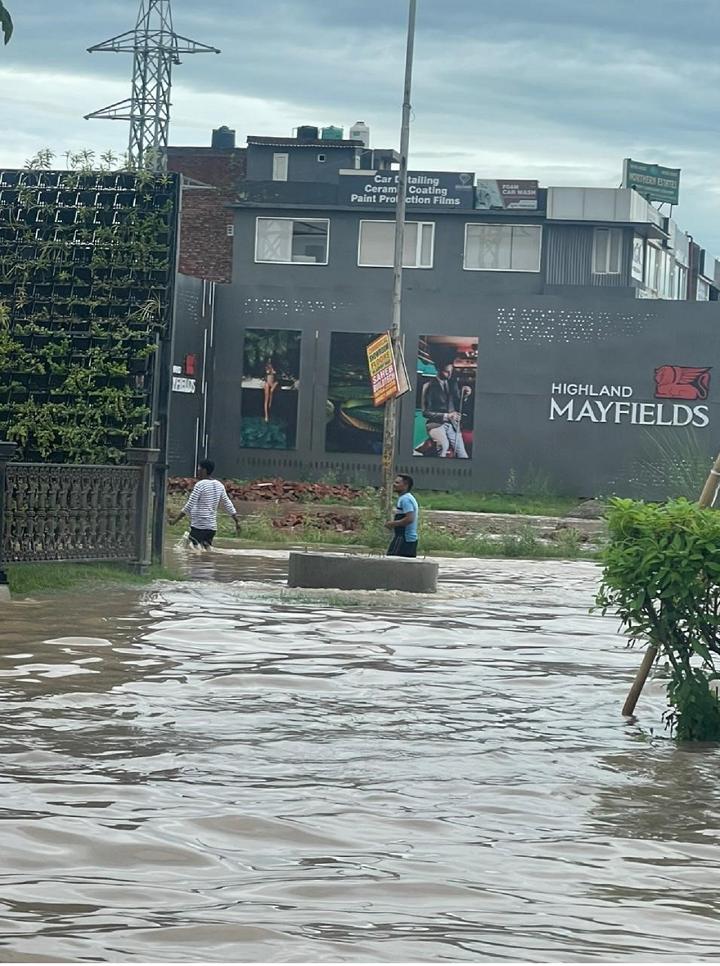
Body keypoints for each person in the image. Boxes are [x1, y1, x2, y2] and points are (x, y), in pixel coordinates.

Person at [168, 459, 241, 549]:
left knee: (192, 551)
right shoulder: (219, 485)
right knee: (205, 551)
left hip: (199, 526)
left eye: (199, 469)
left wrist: (175, 520)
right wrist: (236, 521)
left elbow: (189, 505)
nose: (198, 471)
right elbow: (228, 504)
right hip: (211, 528)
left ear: (204, 470)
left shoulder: (200, 485)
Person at [422, 355, 472, 458]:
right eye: (446, 371)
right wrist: (447, 416)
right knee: (444, 446)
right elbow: (425, 412)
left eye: (451, 371)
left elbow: (458, 402)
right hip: (435, 424)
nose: (449, 374)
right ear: (439, 369)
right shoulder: (428, 386)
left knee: (463, 454)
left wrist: (465, 395)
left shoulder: (452, 384)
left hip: (452, 424)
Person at [385, 474, 419, 558]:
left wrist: (391, 524)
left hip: (404, 538)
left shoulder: (405, 499)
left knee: (391, 562)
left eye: (397, 483)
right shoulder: (406, 498)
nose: (394, 484)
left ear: (406, 485)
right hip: (409, 539)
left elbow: (409, 519)